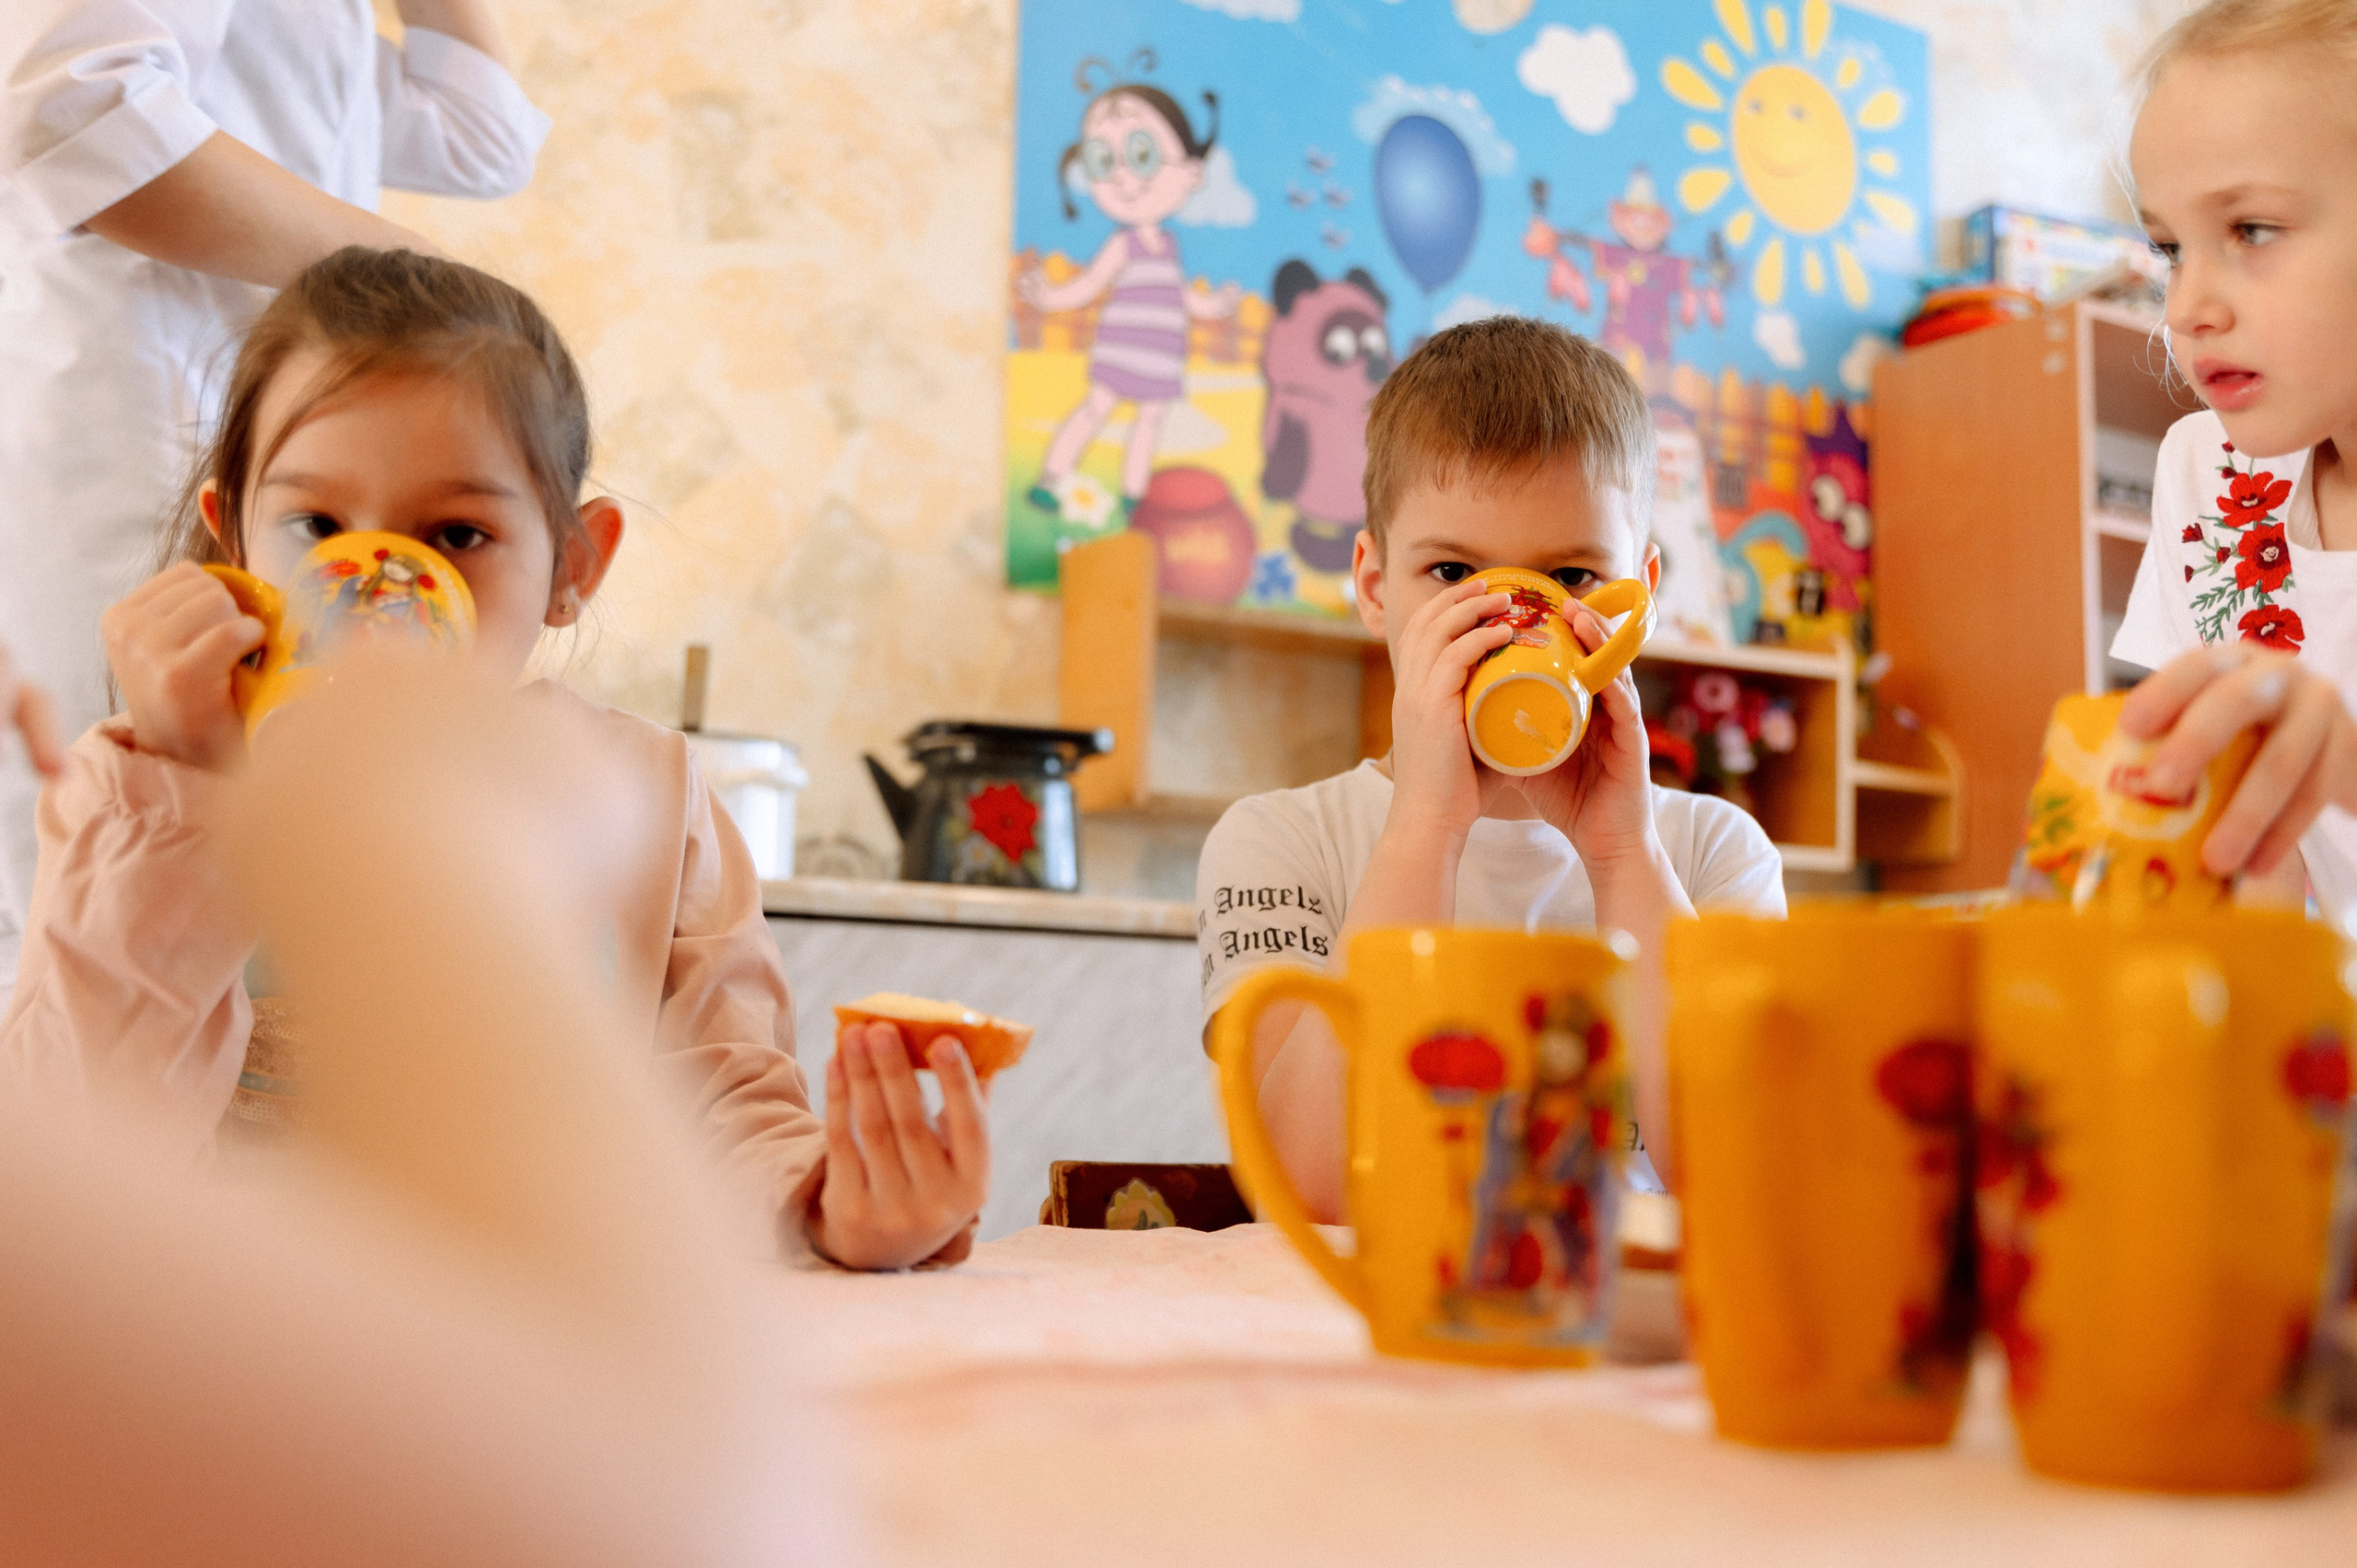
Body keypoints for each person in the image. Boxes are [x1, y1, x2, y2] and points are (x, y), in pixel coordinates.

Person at [0, 248, 988, 1272]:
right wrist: (179, 784)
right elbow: (71, 1145)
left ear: (573, 564)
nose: (375, 588)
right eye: (316, 528)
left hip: (527, 1358)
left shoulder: (641, 799)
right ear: (235, 541)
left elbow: (720, 1110)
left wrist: (833, 1202)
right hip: (238, 1359)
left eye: (457, 534)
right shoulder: (147, 793)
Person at [0, 0, 551, 1000]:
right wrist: (414, 283)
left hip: (271, 461)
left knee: (245, 935)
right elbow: (72, 107)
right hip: (136, 450)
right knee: (99, 909)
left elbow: (483, 136)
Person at [1195, 319, 1785, 1221]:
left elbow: (1743, 1177)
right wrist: (1424, 829)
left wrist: (1625, 853)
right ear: (1374, 582)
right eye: (1452, 570)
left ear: (1643, 593)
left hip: (1610, 1343)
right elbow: (1306, 1184)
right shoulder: (1280, 842)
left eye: (1575, 578)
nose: (1511, 623)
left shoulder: (1711, 854)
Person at [2111, 0, 2357, 923]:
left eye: (2250, 230)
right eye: (2169, 247)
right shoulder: (2203, 468)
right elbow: (2243, 853)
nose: (2184, 307)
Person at [1015, 52, 1240, 528]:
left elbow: (1179, 295)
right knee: (1097, 406)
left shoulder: (1170, 245)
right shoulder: (1125, 242)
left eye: (1141, 155)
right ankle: (1051, 477)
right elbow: (1091, 284)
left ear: (1191, 172)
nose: (1122, 177)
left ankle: (1134, 497)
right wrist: (1051, 298)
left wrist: (1212, 306)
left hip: (1161, 353)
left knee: (1149, 421)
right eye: (1102, 160)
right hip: (1123, 346)